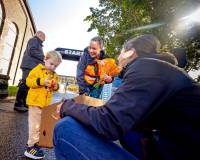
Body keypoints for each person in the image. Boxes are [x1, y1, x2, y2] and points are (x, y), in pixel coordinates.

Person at [53, 34, 200, 160]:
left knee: (64, 128)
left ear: (130, 53)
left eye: (121, 52)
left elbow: (109, 123)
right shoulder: (160, 68)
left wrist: (66, 106)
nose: (118, 57)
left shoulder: (145, 67)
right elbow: (121, 118)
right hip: (179, 149)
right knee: (129, 132)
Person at [24, 51, 62, 159]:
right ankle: (30, 147)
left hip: (44, 104)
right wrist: (41, 81)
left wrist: (54, 86)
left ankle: (35, 143)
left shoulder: (54, 75)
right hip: (35, 102)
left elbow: (56, 88)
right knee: (34, 125)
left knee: (40, 125)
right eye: (51, 64)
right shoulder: (38, 69)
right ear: (45, 59)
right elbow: (28, 81)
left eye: (56, 66)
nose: (53, 67)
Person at [14, 31, 46, 112]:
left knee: (28, 85)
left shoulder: (37, 42)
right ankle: (18, 104)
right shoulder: (34, 40)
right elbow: (32, 51)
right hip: (29, 66)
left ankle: (24, 103)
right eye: (43, 37)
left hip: (31, 66)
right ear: (39, 35)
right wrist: (44, 58)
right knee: (25, 83)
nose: (44, 39)